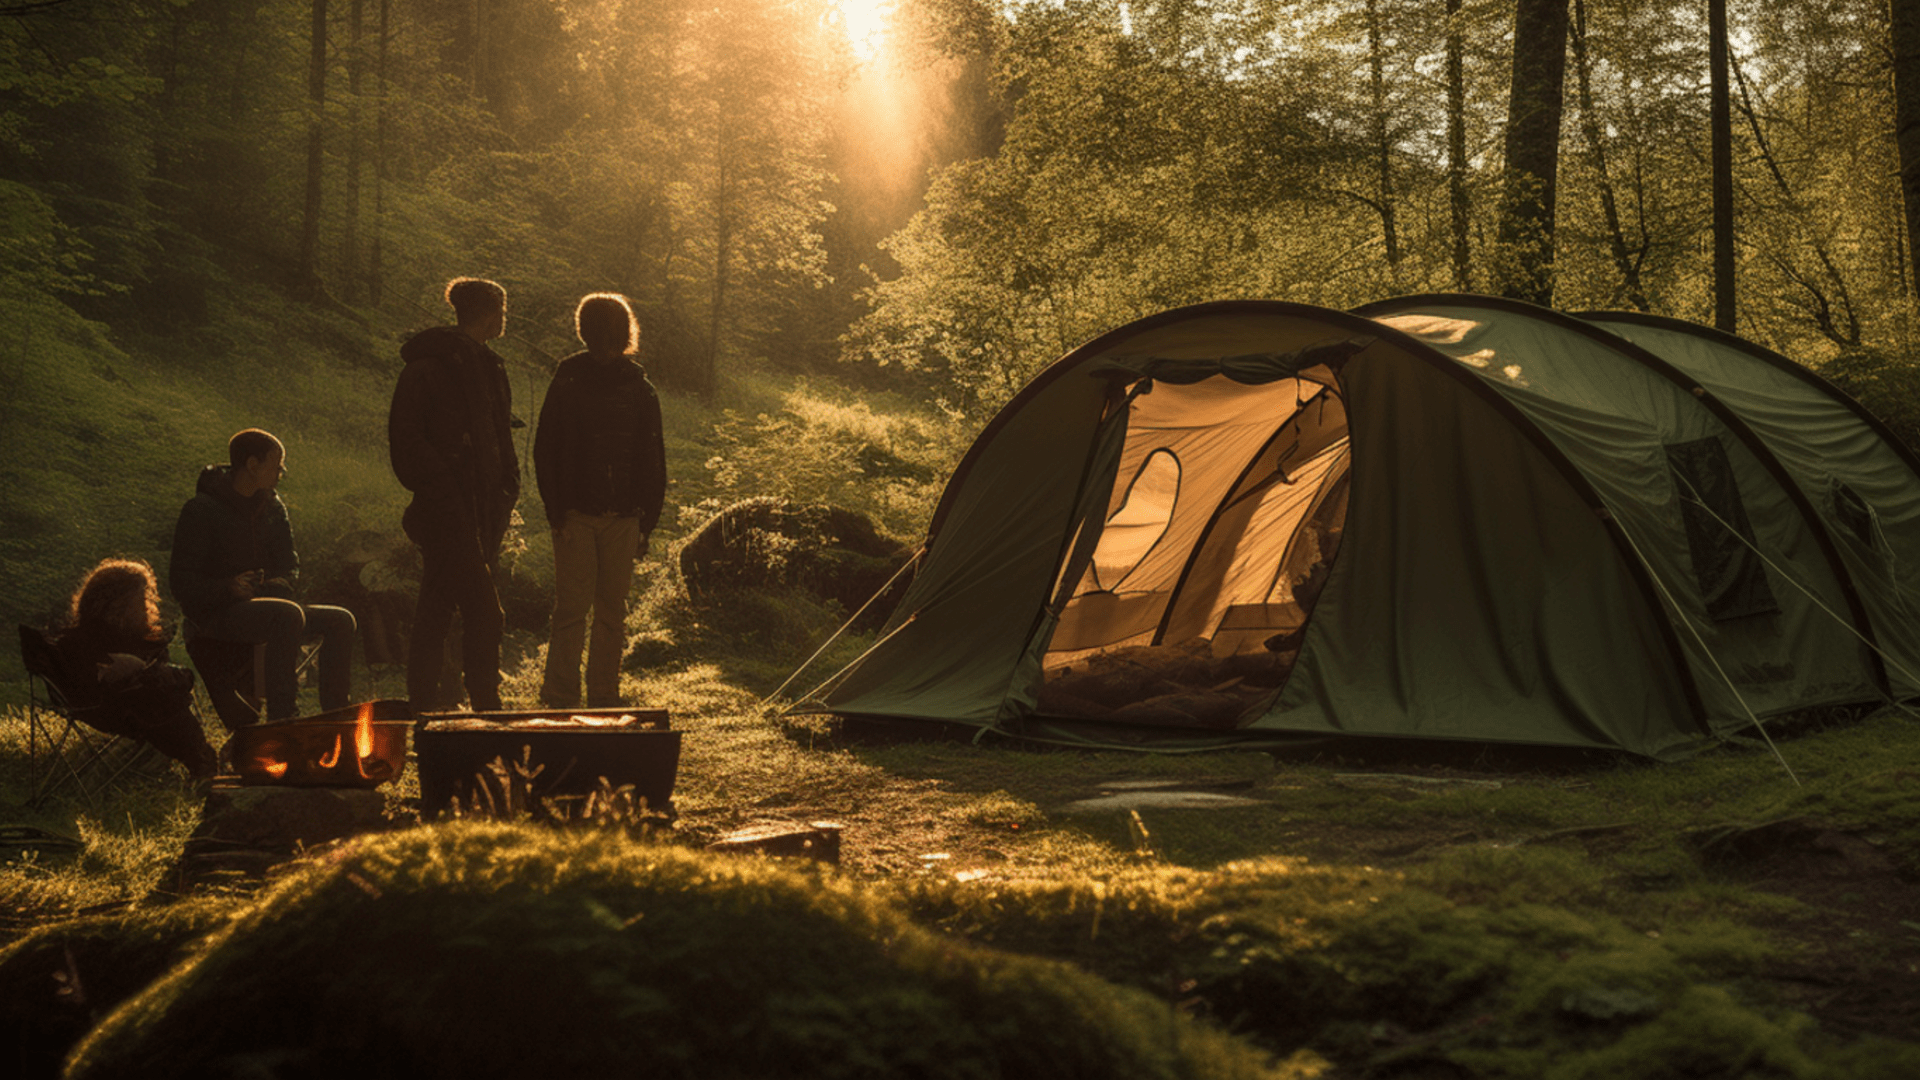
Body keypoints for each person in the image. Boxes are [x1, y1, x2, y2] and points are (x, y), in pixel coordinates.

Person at [389, 277, 519, 712]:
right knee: (485, 611)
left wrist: (506, 487)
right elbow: (406, 441)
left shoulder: (489, 366)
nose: (504, 318)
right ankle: (486, 704)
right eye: (501, 310)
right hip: (445, 507)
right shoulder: (427, 368)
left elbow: (498, 434)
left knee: (437, 605)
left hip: (483, 507)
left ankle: (425, 706)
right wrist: (444, 487)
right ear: (489, 311)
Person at [533, 292, 667, 708]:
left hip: (608, 514)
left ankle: (588, 695)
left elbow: (651, 456)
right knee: (591, 611)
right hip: (589, 514)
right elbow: (548, 449)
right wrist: (557, 511)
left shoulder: (630, 386)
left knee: (594, 611)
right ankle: (574, 695)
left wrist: (645, 520)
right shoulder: (582, 382)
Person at [168, 429, 357, 722]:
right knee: (287, 615)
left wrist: (279, 581)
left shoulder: (271, 505)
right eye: (277, 465)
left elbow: (289, 562)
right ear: (253, 465)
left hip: (270, 603)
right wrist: (229, 588)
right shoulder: (201, 510)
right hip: (218, 613)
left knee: (341, 619)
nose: (282, 472)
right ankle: (283, 721)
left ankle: (337, 718)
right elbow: (181, 584)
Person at [53, 558, 218, 780]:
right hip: (115, 709)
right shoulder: (82, 642)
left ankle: (200, 760)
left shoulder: (80, 638)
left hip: (115, 707)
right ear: (117, 603)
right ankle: (202, 762)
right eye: (141, 599)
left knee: (165, 690)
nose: (146, 604)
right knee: (164, 698)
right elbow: (90, 681)